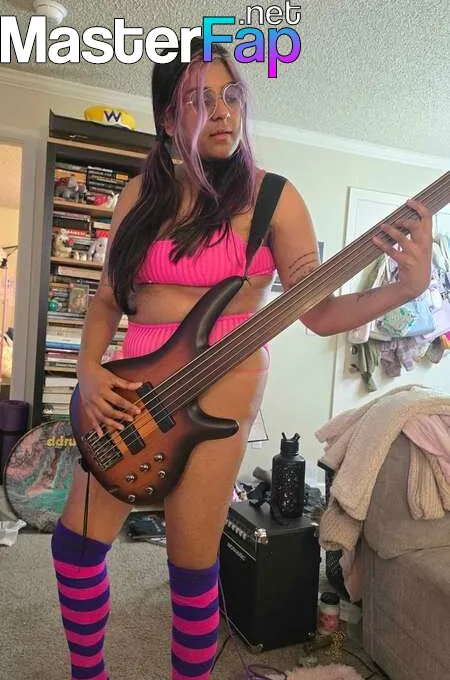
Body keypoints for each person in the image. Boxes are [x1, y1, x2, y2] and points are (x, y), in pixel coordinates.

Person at [50, 38, 433, 680]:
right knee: (73, 548)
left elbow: (317, 312)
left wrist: (405, 289)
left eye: (231, 95)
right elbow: (108, 300)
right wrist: (88, 373)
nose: (223, 110)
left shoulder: (273, 198)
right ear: (168, 118)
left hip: (221, 396)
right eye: (200, 100)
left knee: (190, 565)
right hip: (129, 392)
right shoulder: (138, 194)